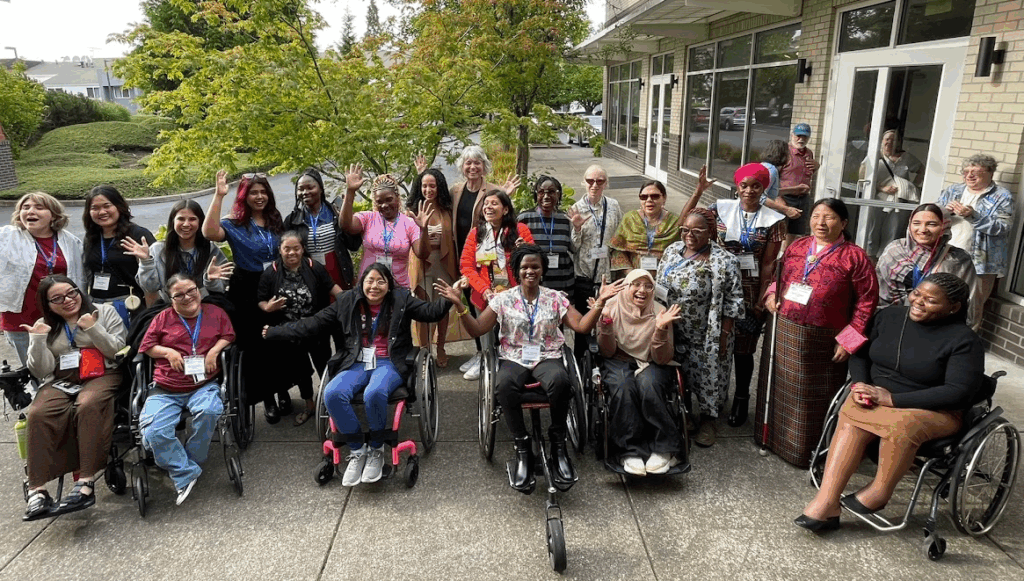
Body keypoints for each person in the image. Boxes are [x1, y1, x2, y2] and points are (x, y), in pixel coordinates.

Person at [796, 274, 983, 531]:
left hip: (935, 409)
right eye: (917, 293)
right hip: (877, 398)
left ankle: (880, 492)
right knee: (853, 412)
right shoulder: (888, 317)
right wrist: (860, 385)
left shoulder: (964, 340)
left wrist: (892, 399)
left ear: (954, 307)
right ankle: (827, 501)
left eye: (931, 300)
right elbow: (859, 353)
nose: (918, 302)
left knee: (901, 423)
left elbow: (958, 392)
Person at [436, 244, 625, 493]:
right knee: (503, 385)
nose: (530, 271)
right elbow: (478, 329)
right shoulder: (503, 299)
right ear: (517, 270)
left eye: (535, 266)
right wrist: (459, 305)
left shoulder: (555, 298)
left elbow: (581, 327)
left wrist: (599, 303)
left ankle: (558, 443)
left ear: (542, 270)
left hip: (548, 355)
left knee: (561, 381)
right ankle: (522, 445)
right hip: (513, 357)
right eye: (525, 267)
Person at [263, 263, 453, 486]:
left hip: (389, 362)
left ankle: (376, 450)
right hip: (357, 361)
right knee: (332, 394)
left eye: (380, 281)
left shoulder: (401, 300)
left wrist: (449, 299)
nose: (374, 286)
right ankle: (357, 450)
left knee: (375, 392)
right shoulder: (347, 301)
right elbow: (313, 323)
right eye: (369, 281)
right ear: (361, 283)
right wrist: (277, 331)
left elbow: (430, 312)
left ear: (389, 285)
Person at [760, 198, 879, 467]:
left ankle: (805, 451)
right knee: (778, 386)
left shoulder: (856, 257)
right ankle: (773, 440)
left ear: (843, 223)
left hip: (825, 336)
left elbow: (867, 301)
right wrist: (771, 295)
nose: (821, 223)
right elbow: (779, 276)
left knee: (811, 398)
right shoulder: (798, 246)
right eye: (816, 216)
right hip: (785, 328)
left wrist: (849, 341)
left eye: (829, 217)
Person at [680, 163, 786, 429]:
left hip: (750, 290)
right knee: (715, 343)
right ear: (737, 187)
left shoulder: (774, 220)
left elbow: (768, 264)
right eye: (744, 185)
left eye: (756, 186)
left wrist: (761, 300)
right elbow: (686, 222)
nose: (749, 191)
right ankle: (715, 393)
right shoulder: (720, 208)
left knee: (744, 349)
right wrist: (698, 191)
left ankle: (741, 397)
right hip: (717, 286)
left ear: (764, 188)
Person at [21, 275, 126, 521]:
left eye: (71, 293)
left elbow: (117, 350)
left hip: (102, 372)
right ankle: (37, 489)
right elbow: (41, 370)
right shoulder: (43, 324)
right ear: (48, 304)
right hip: (61, 378)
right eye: (57, 299)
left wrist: (92, 328)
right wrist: (37, 341)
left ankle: (86, 482)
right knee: (38, 412)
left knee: (87, 404)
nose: (68, 300)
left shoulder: (104, 312)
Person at [138, 274, 235, 505]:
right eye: (179, 295)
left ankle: (189, 462)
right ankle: (185, 470)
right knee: (153, 433)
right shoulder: (163, 318)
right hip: (166, 388)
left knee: (211, 410)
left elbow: (228, 335)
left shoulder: (215, 313)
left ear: (198, 290)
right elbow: (147, 346)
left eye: (191, 290)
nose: (187, 297)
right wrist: (168, 352)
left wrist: (214, 351)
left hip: (203, 385)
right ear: (170, 299)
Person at [656, 208, 744, 447]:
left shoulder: (725, 261)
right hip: (674, 328)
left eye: (697, 231)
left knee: (709, 376)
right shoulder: (672, 251)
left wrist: (724, 335)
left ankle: (708, 420)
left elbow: (734, 301)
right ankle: (685, 413)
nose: (689, 235)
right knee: (678, 372)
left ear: (711, 232)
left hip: (707, 332)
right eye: (685, 230)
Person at [203, 170, 285, 423]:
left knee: (279, 341)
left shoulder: (274, 219)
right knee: (256, 345)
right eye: (253, 192)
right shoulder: (234, 223)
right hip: (247, 288)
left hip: (274, 283)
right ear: (244, 196)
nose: (259, 197)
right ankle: (267, 398)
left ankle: (283, 388)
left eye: (263, 192)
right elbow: (209, 232)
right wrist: (218, 195)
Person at [595, 269, 682, 475]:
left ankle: (665, 448)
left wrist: (660, 329)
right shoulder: (610, 307)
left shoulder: (660, 311)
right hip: (618, 358)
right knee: (623, 388)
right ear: (627, 286)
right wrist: (606, 325)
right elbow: (607, 352)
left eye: (648, 286)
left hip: (651, 360)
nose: (642, 290)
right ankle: (630, 449)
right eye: (636, 284)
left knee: (648, 385)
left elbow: (662, 358)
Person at [446, 146, 520, 381]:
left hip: (489, 264)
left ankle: (495, 355)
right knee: (472, 307)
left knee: (491, 311)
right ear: (462, 166)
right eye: (468, 163)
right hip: (465, 255)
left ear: (484, 166)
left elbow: (505, 216)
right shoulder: (456, 190)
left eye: (477, 162)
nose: (472, 167)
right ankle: (481, 353)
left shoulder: (493, 191)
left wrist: (506, 194)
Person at [258, 232, 342, 426]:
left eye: (296, 248)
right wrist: (268, 307)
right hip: (289, 333)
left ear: (303, 249)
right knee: (301, 372)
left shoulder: (314, 267)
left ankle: (331, 403)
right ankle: (309, 405)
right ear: (280, 250)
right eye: (287, 249)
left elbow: (333, 288)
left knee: (325, 366)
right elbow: (261, 300)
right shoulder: (270, 273)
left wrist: (351, 301)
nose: (291, 253)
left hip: (316, 329)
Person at [458, 189, 535, 380]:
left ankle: (514, 368)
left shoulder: (521, 230)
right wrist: (484, 290)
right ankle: (485, 362)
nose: (488, 207)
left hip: (515, 296)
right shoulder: (477, 233)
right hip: (485, 295)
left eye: (494, 203)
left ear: (505, 209)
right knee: (485, 334)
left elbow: (534, 262)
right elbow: (466, 266)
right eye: (486, 204)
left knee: (515, 335)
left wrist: (524, 249)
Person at [0, 192, 84, 366]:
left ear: (53, 215)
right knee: (35, 370)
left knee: (65, 367)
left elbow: (81, 277)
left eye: (39, 207)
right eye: (25, 207)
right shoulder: (6, 237)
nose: (31, 211)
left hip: (60, 317)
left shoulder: (70, 241)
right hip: (21, 321)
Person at [938, 154, 1013, 329]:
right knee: (941, 298)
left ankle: (966, 340)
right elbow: (933, 215)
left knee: (972, 306)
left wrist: (973, 216)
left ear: (990, 173)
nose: (969, 175)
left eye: (975, 171)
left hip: (981, 262)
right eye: (966, 171)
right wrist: (945, 212)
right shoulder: (953, 190)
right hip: (947, 254)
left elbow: (1003, 227)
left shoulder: (1002, 196)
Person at [876, 204, 980, 327]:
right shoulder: (894, 250)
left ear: (944, 226)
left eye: (932, 224)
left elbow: (969, 301)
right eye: (916, 223)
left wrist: (966, 330)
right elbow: (879, 291)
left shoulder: (957, 259)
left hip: (938, 327)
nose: (923, 229)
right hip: (892, 321)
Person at [339, 165, 432, 289]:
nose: (384, 205)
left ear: (397, 198)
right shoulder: (368, 218)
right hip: (369, 287)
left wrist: (424, 230)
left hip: (398, 288)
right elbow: (346, 225)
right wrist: (350, 191)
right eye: (379, 201)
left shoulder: (409, 223)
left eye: (389, 199)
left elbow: (423, 254)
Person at [127, 199, 233, 304]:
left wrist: (210, 281)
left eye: (192, 219)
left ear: (200, 222)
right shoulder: (158, 250)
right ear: (173, 221)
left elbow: (220, 289)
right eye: (181, 219)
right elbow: (150, 288)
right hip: (170, 308)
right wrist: (146, 262)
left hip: (205, 307)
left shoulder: (211, 250)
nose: (186, 224)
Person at [405, 167, 458, 367]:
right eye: (424, 186)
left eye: (432, 186)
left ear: (439, 187)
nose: (428, 190)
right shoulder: (411, 211)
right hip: (422, 264)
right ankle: (424, 349)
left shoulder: (447, 210)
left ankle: (441, 347)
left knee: (443, 308)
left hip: (443, 263)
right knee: (423, 309)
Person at [80, 185, 155, 326]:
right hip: (98, 306)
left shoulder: (137, 234)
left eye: (107, 206)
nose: (102, 212)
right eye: (95, 208)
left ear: (119, 206)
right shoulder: (91, 237)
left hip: (130, 306)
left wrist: (145, 259)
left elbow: (155, 278)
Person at [283, 167, 359, 290]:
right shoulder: (292, 221)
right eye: (300, 189)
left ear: (321, 189)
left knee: (341, 299)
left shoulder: (336, 213)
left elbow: (354, 245)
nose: (305, 192)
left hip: (338, 270)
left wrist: (348, 210)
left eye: (310, 187)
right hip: (311, 274)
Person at [567, 165, 623, 317]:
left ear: (606, 183)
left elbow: (619, 238)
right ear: (584, 182)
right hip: (583, 276)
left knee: (607, 319)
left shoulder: (613, 206)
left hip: (606, 276)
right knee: (585, 320)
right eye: (590, 181)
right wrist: (577, 228)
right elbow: (573, 248)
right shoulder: (576, 209)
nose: (594, 185)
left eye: (600, 181)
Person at [862, 130, 924, 256]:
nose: (889, 142)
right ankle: (869, 257)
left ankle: (887, 257)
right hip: (878, 199)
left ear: (899, 142)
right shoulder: (875, 156)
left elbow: (922, 170)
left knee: (893, 231)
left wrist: (912, 186)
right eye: (887, 139)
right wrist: (881, 188)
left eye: (893, 139)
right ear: (882, 141)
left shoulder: (906, 157)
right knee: (873, 229)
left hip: (899, 201)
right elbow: (863, 176)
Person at [517, 175, 574, 301]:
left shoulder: (566, 219)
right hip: (535, 286)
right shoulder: (524, 219)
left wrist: (579, 229)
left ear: (558, 195)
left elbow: (574, 249)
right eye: (541, 192)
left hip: (563, 284)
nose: (546, 196)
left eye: (551, 192)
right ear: (536, 194)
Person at [609, 180, 681, 278]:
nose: (649, 200)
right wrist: (632, 275)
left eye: (654, 196)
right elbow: (617, 250)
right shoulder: (630, 219)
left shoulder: (674, 222)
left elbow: (681, 253)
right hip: (632, 278)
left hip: (664, 277)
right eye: (644, 197)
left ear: (664, 198)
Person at [779, 123, 820, 245]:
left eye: (805, 137)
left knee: (794, 232)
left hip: (802, 198)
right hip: (785, 197)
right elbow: (773, 178)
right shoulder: (784, 152)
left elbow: (804, 172)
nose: (801, 139)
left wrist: (817, 167)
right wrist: (778, 198)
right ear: (792, 135)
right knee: (780, 231)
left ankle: (786, 254)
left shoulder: (809, 153)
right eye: (798, 136)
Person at [759, 139, 802, 220]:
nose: (789, 157)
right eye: (788, 154)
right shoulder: (771, 170)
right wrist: (786, 209)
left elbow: (770, 192)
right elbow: (760, 197)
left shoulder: (766, 166)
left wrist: (795, 189)